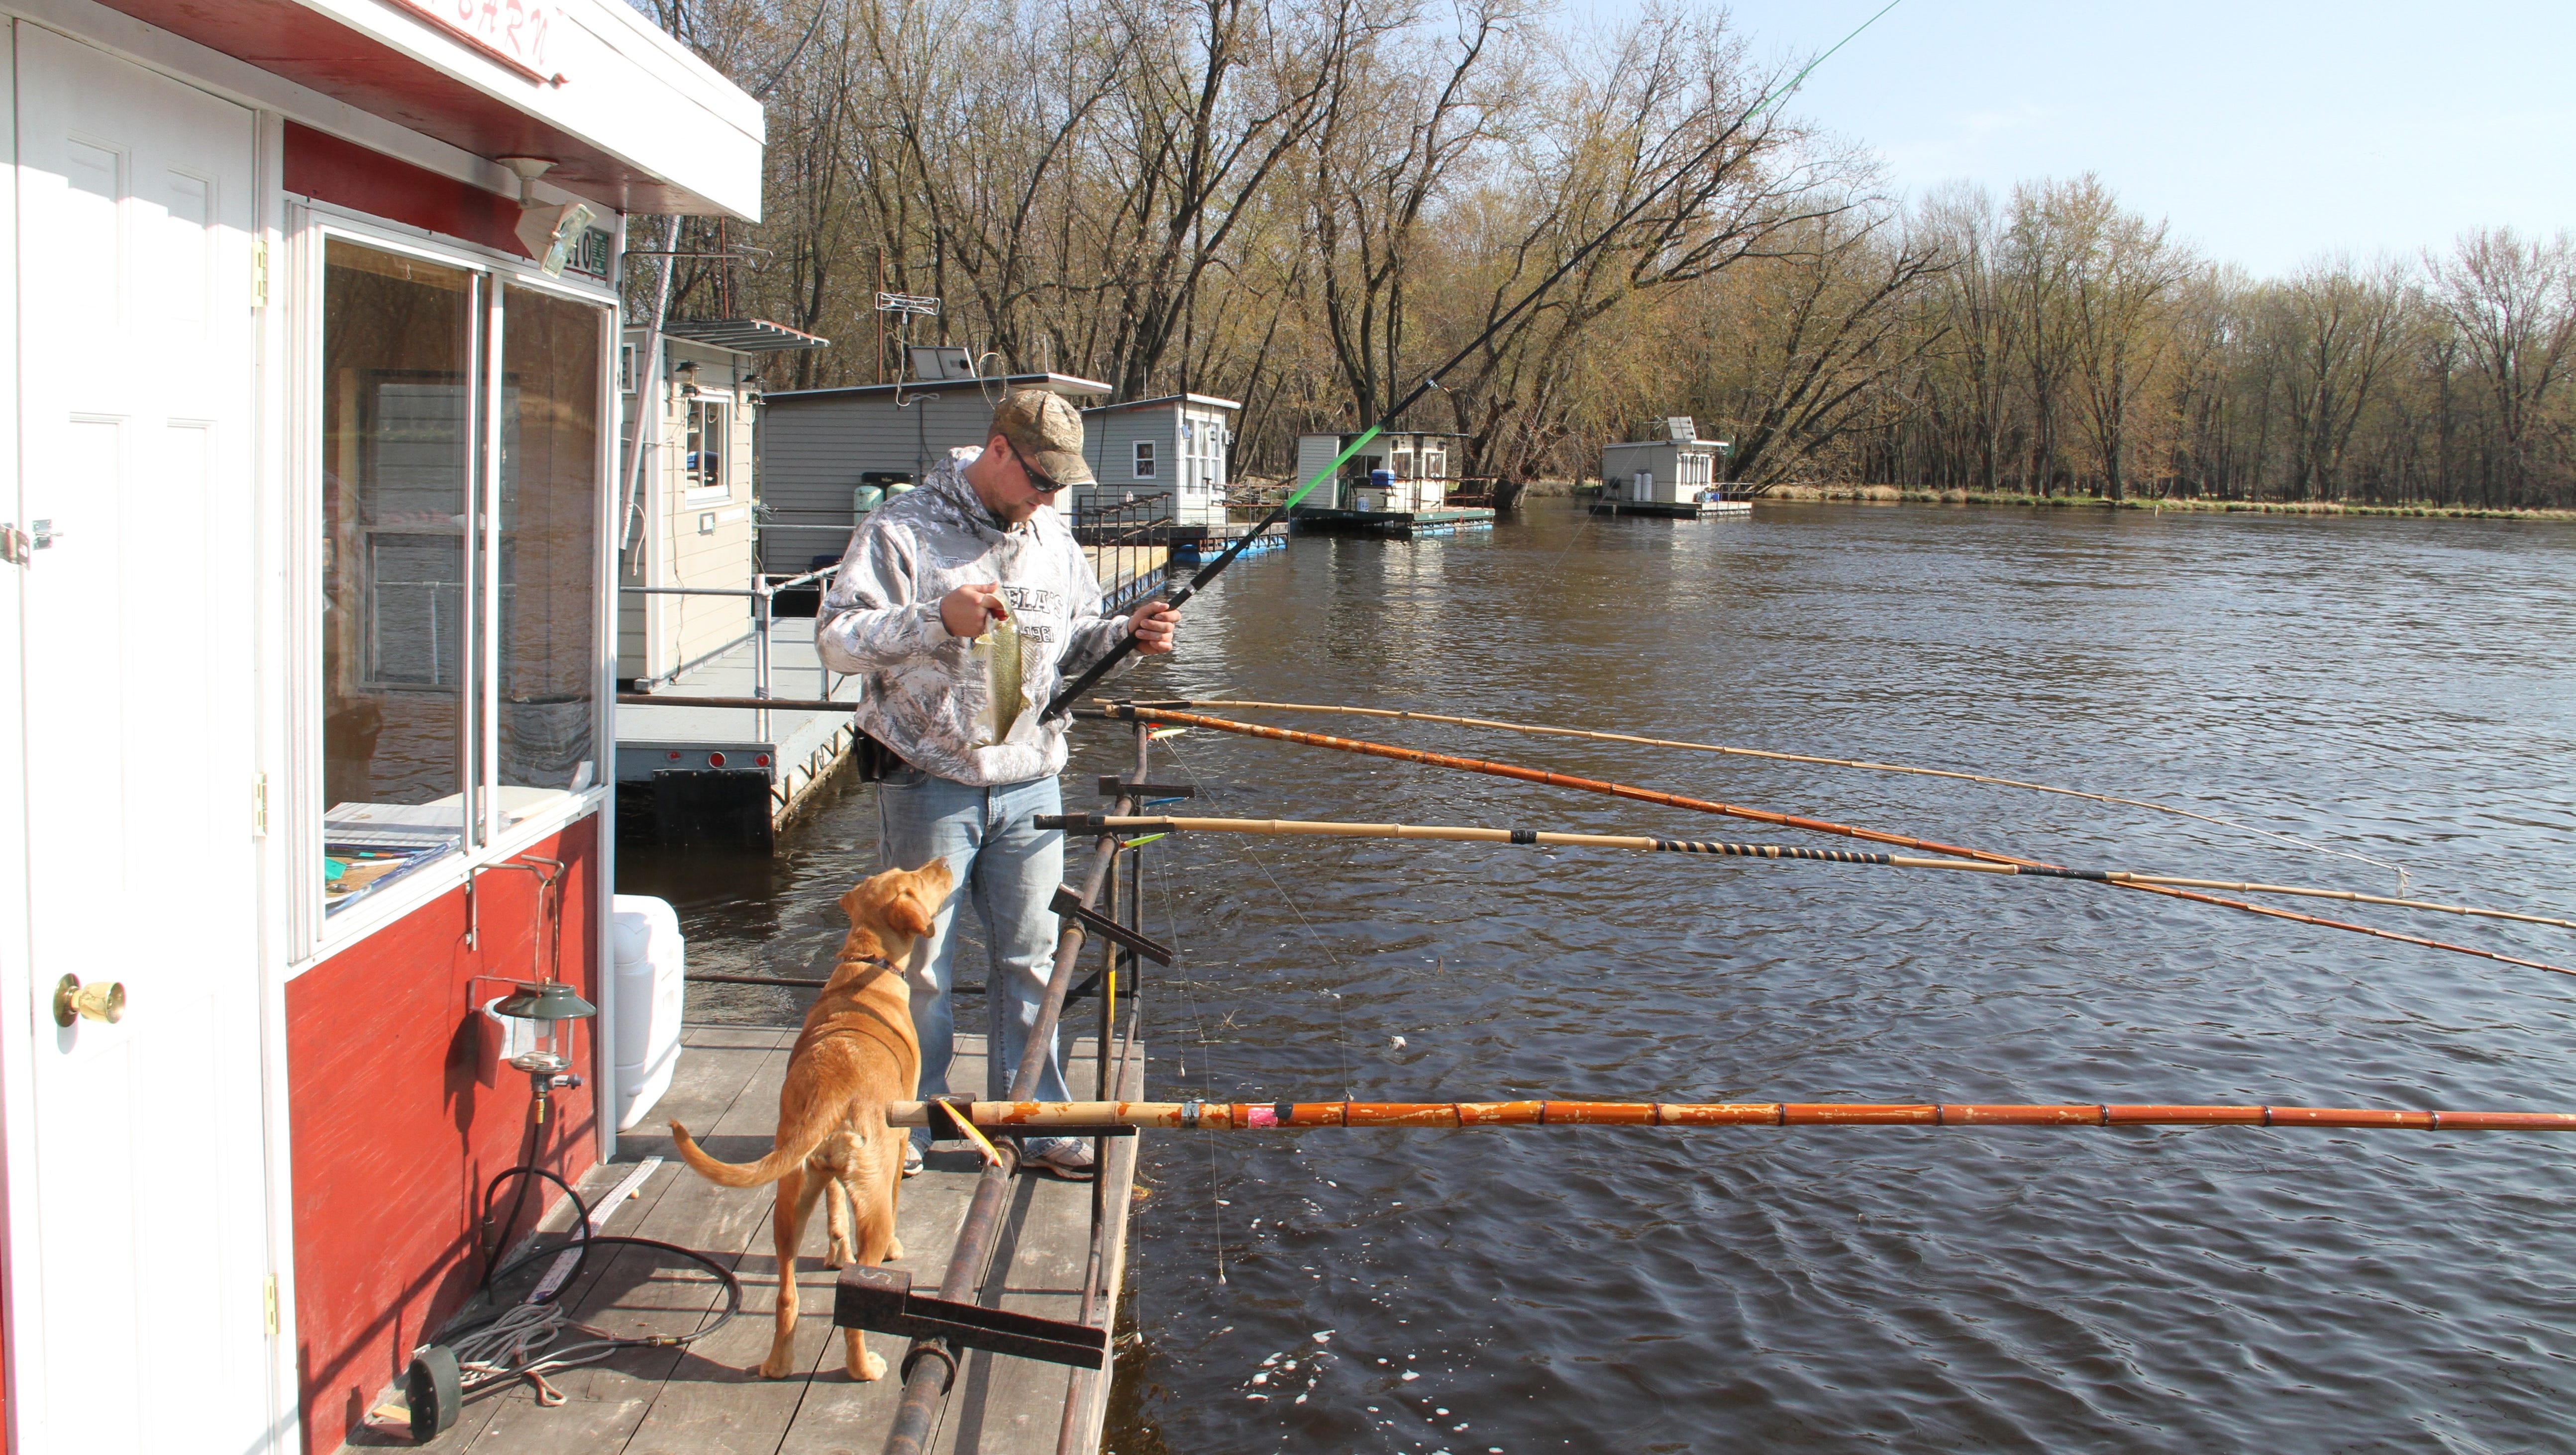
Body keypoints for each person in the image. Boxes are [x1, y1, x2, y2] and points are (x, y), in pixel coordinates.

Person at [814, 388, 1180, 1177]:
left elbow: (1075, 637)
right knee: (922, 966)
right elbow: (838, 641)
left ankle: (1033, 1119)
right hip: (928, 781)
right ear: (998, 451)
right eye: (1041, 479)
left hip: (1031, 784)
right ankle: (909, 1125)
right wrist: (935, 619)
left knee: (1033, 958)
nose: (1051, 497)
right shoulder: (902, 526)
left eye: (1061, 485)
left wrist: (1127, 633)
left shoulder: (1050, 531)